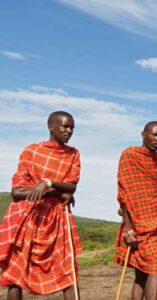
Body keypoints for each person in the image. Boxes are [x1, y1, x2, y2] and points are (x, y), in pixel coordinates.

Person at [0, 111, 81, 300]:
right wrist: (59, 193)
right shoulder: (32, 151)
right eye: (65, 126)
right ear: (51, 126)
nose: (69, 131)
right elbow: (17, 193)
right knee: (16, 275)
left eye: (72, 128)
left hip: (56, 218)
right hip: (27, 218)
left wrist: (47, 183)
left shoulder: (72, 154)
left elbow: (72, 186)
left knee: (68, 272)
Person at [115, 121, 157, 300]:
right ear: (143, 134)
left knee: (145, 273)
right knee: (152, 270)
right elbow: (124, 193)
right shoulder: (129, 155)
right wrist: (128, 227)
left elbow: (156, 188)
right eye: (154, 134)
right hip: (137, 223)